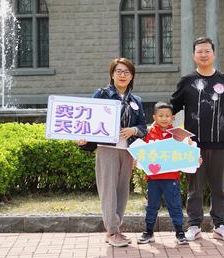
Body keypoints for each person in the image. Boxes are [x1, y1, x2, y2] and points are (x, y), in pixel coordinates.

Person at [171, 37, 224, 241]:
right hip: (193, 146)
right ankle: (194, 225)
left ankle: (220, 225)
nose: (203, 55)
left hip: (221, 144)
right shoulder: (187, 81)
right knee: (194, 189)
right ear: (193, 55)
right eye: (199, 51)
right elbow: (171, 109)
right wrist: (167, 133)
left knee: (219, 188)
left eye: (207, 51)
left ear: (214, 54)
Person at [78, 58, 147, 248]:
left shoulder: (136, 100)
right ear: (112, 74)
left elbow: (143, 127)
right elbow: (88, 119)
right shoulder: (102, 94)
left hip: (127, 150)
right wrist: (83, 138)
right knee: (108, 190)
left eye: (126, 72)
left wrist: (134, 130)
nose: (122, 75)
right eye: (118, 71)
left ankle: (115, 229)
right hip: (107, 149)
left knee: (122, 191)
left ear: (132, 76)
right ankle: (112, 231)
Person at [137, 101, 189, 246]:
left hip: (171, 178)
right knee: (151, 206)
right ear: (154, 117)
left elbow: (188, 153)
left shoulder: (178, 135)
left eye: (167, 116)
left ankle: (180, 232)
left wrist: (195, 157)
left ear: (172, 118)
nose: (164, 118)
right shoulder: (148, 133)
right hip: (153, 178)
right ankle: (149, 232)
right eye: (161, 116)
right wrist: (136, 159)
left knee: (175, 206)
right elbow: (141, 151)